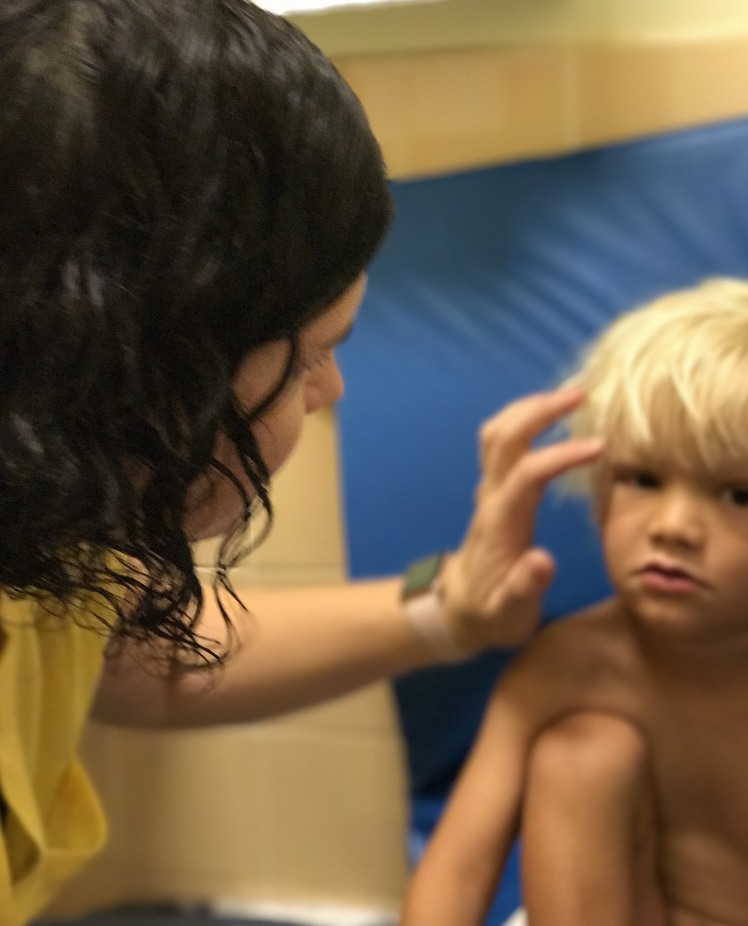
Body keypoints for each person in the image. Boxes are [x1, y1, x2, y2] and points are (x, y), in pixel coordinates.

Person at [0, 1, 603, 922]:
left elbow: (136, 648)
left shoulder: (46, 510)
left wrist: (448, 605)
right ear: (151, 359)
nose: (332, 394)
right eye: (313, 353)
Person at [401, 277, 748, 926]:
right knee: (584, 753)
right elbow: (456, 873)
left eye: (739, 495)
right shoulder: (569, 664)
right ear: (598, 489)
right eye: (642, 479)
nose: (673, 525)